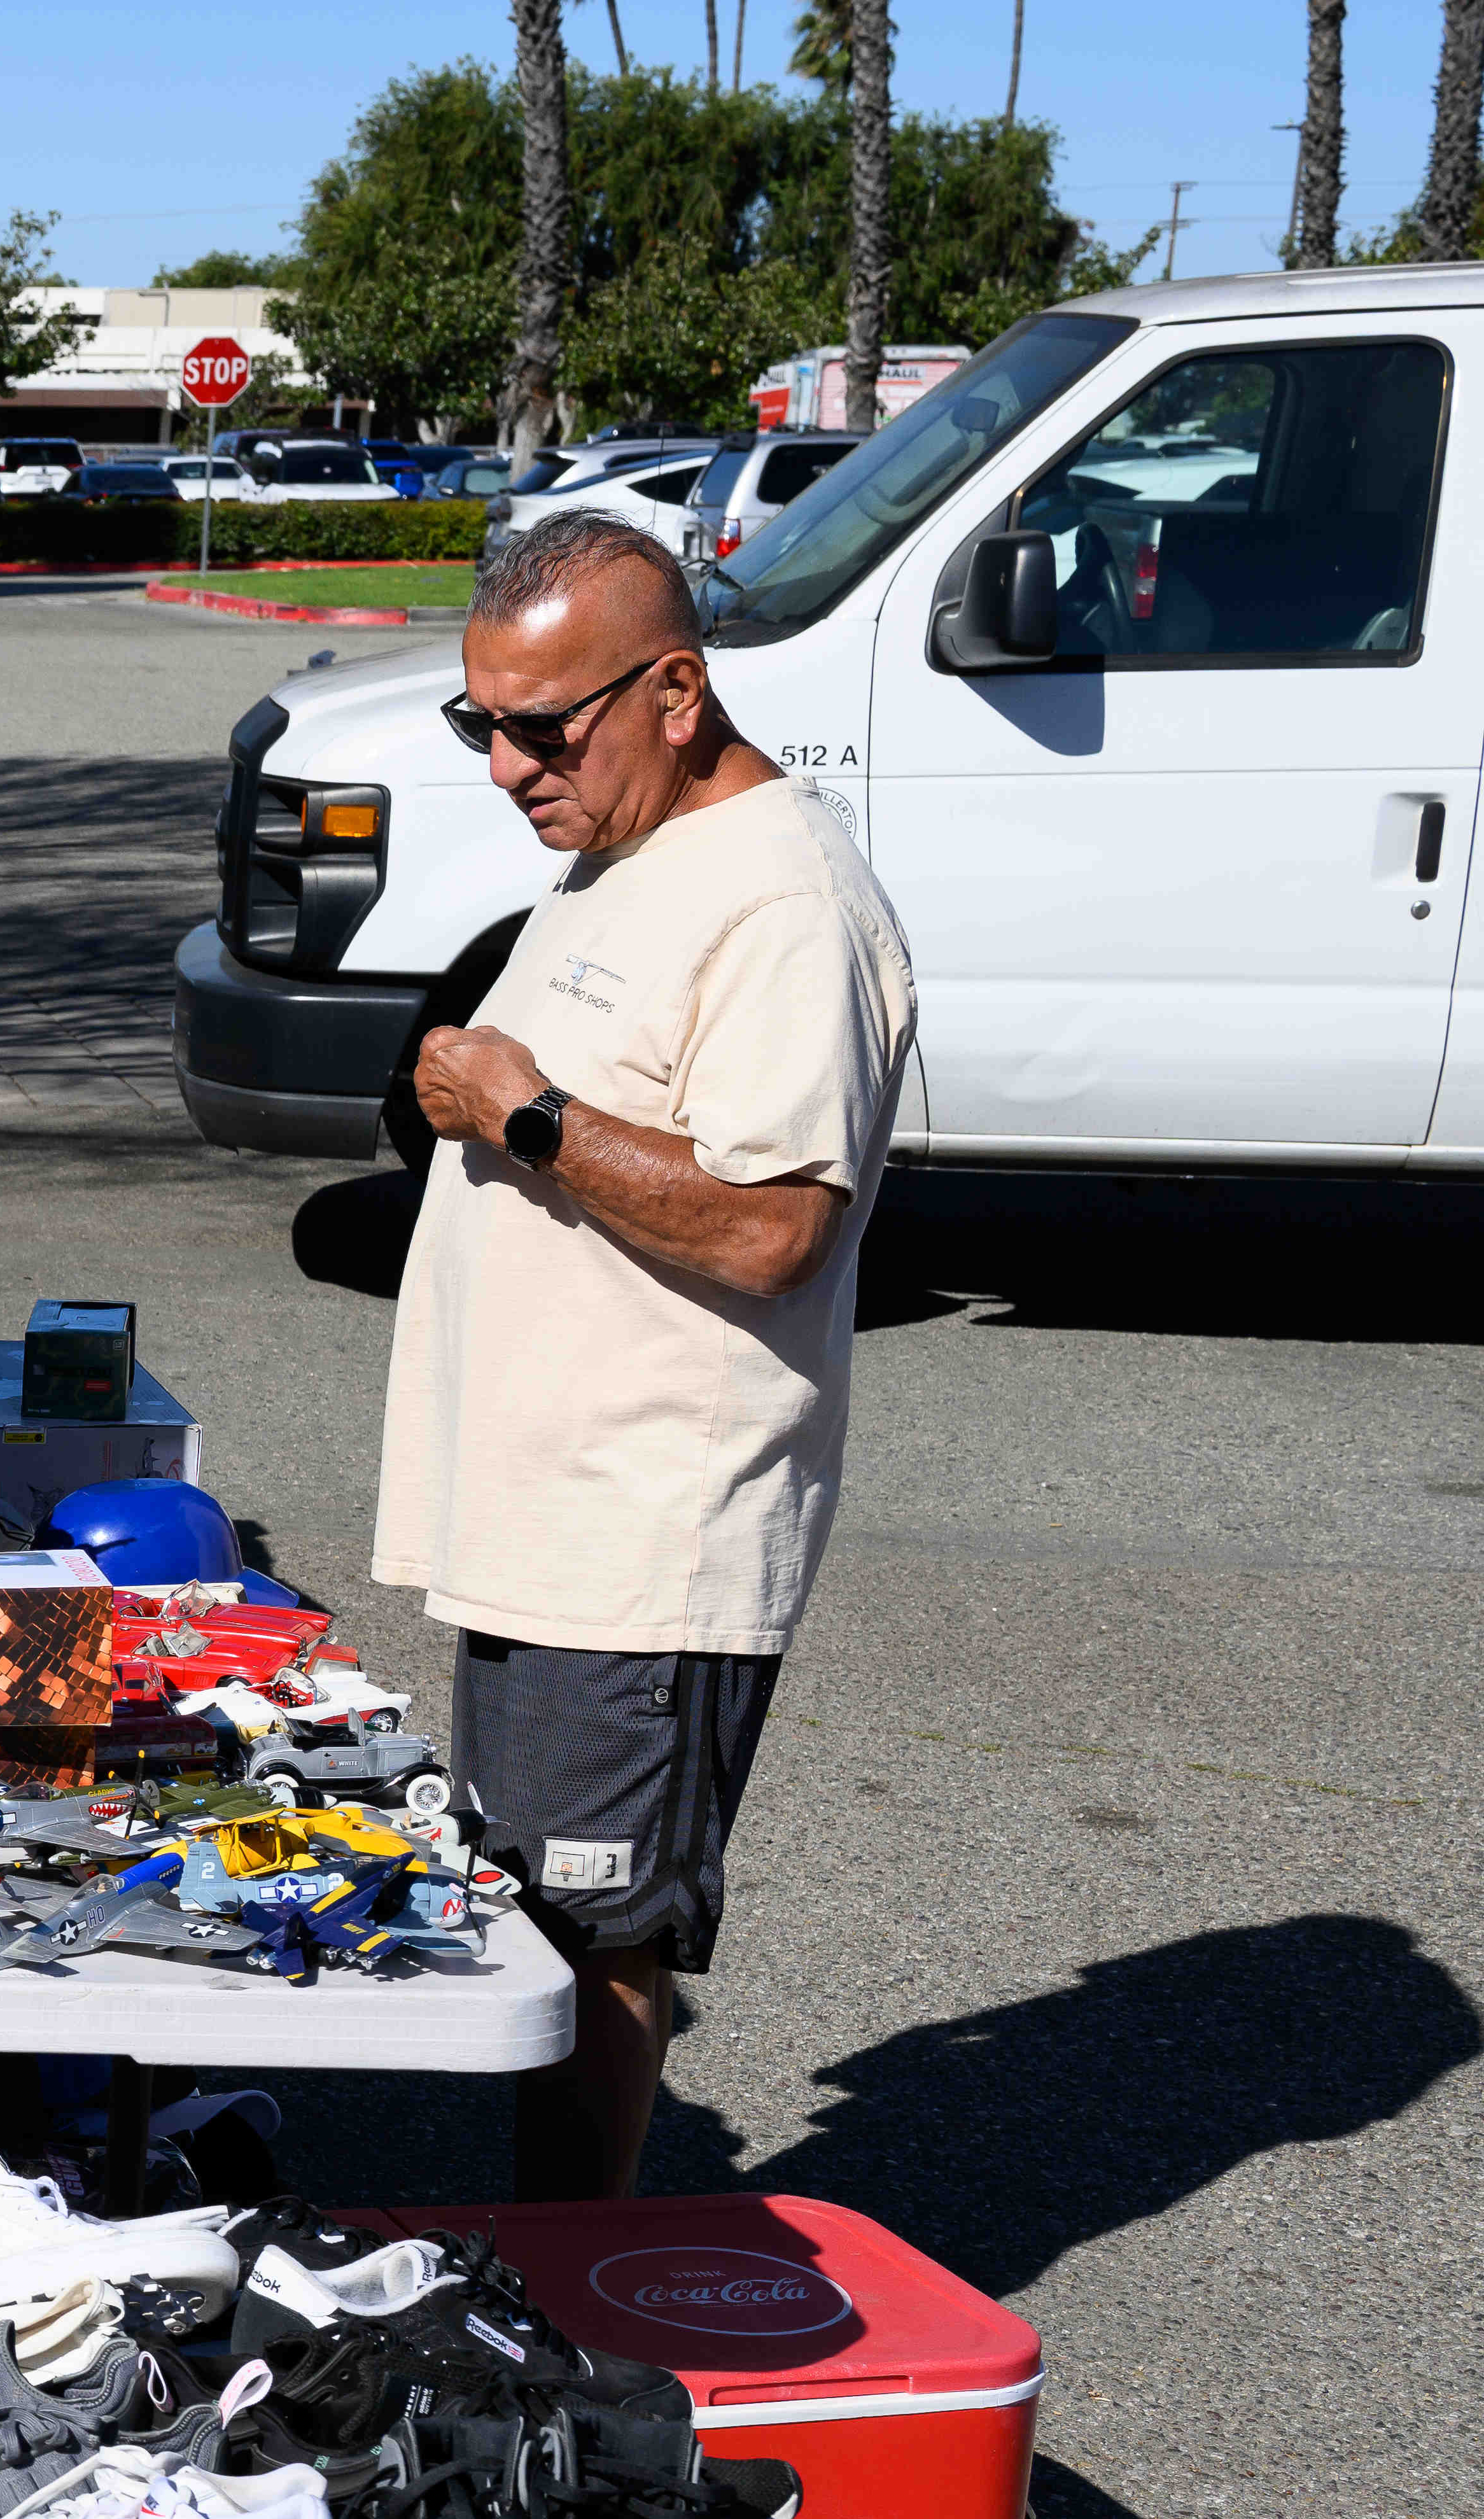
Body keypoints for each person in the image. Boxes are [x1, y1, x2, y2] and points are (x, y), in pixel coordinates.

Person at [382, 509, 913, 2198]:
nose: (506, 767)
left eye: (544, 728)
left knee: (602, 1942)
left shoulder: (783, 894)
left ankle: (575, 2308)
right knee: (537, 1924)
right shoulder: (630, 852)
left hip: (647, 1544)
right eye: (484, 726)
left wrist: (521, 1109)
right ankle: (541, 2278)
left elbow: (774, 1227)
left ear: (676, 690)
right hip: (552, 1534)